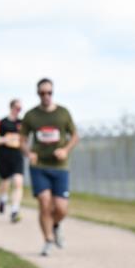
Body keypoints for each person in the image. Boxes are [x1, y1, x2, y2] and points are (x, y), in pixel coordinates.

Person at [20, 78, 78, 256]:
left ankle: (55, 225)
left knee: (61, 208)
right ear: (38, 94)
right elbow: (22, 140)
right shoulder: (31, 115)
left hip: (60, 166)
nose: (46, 96)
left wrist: (65, 150)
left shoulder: (63, 113)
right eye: (42, 93)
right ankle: (48, 240)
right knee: (44, 203)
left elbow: (75, 136)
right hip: (40, 166)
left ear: (53, 93)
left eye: (49, 92)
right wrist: (29, 153)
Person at [0, 99, 25, 223]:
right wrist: (6, 139)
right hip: (4, 156)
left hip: (17, 157)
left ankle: (15, 210)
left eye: (20, 108)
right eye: (17, 107)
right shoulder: (2, 122)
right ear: (11, 107)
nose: (18, 110)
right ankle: (2, 198)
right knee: (4, 182)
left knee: (18, 182)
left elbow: (26, 139)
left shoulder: (22, 123)